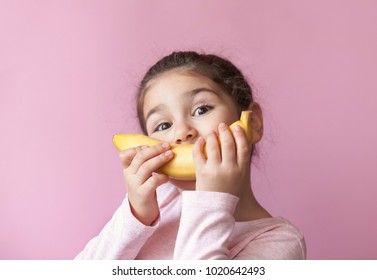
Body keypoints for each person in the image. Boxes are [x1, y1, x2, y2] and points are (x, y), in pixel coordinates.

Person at [75, 51, 306, 259]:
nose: (182, 132)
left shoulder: (280, 241)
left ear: (252, 123)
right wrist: (134, 218)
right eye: (163, 125)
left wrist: (211, 200)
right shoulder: (159, 203)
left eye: (201, 110)